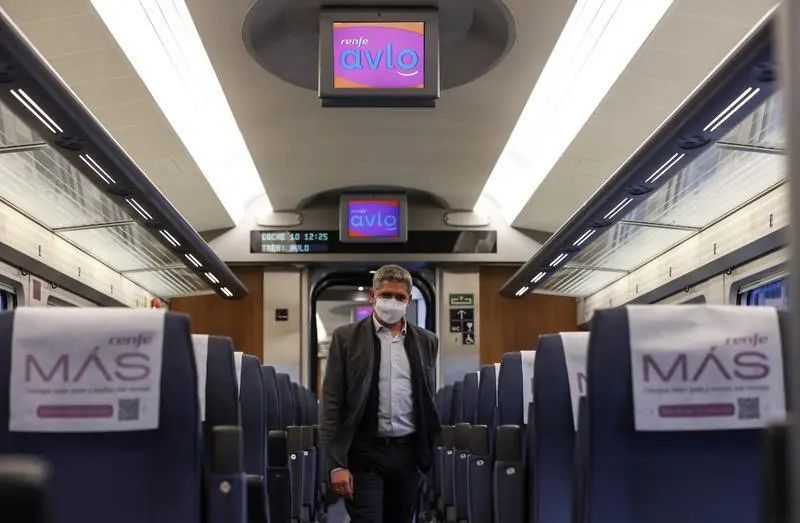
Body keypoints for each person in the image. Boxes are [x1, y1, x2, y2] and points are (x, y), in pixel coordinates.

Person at [319, 264, 441, 523]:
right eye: (386, 295)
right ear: (373, 296)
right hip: (364, 453)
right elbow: (331, 405)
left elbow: (426, 397)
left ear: (408, 300)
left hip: (408, 453)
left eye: (399, 297)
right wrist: (336, 464)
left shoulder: (427, 341)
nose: (392, 301)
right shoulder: (346, 338)